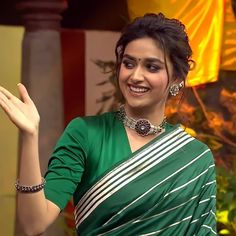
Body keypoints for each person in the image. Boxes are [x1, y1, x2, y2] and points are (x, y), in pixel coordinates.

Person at [0, 13, 216, 236]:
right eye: (128, 63)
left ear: (177, 80)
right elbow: (33, 224)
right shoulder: (86, 133)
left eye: (152, 67)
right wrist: (30, 135)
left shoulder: (196, 158)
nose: (135, 76)